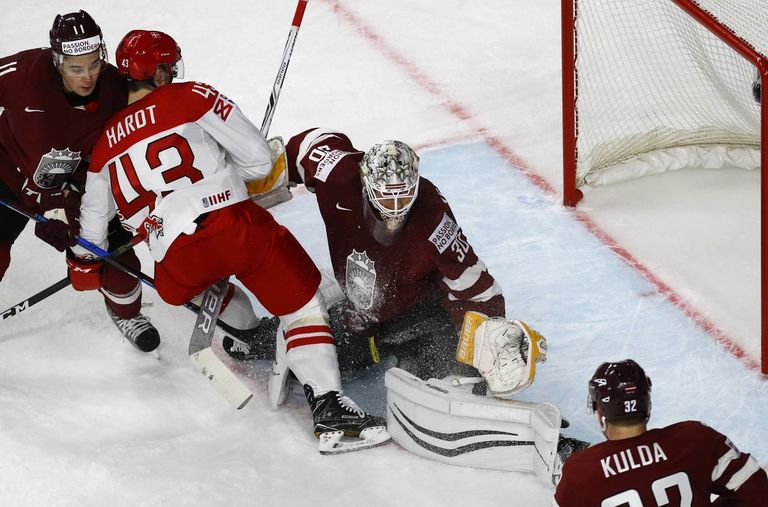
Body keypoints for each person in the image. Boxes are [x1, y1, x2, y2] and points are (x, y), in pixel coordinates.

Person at [71, 29, 390, 453]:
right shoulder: (190, 96)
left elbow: (90, 242)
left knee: (207, 281)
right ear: (161, 72)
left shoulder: (102, 148)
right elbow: (259, 161)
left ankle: (248, 336)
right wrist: (229, 171)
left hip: (173, 266)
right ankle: (331, 412)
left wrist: (84, 261)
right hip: (234, 230)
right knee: (302, 305)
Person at [224, 129, 547, 397]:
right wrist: (264, 168)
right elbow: (312, 143)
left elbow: (474, 285)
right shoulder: (338, 172)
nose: (396, 207)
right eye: (386, 195)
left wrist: (488, 333)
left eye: (404, 196)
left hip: (420, 315)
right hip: (360, 314)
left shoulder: (433, 218)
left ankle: (442, 368)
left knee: (439, 385)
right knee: (307, 360)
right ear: (366, 180)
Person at [0, 10, 160, 352]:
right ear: (57, 61)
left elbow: (157, 118)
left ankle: (126, 312)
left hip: (79, 185)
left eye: (93, 64)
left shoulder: (117, 87)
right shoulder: (23, 74)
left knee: (116, 259)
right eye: (76, 68)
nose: (87, 76)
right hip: (8, 173)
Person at [550, 359, 768, 507]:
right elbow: (759, 498)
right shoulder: (695, 440)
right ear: (647, 405)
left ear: (600, 414)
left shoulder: (579, 474)